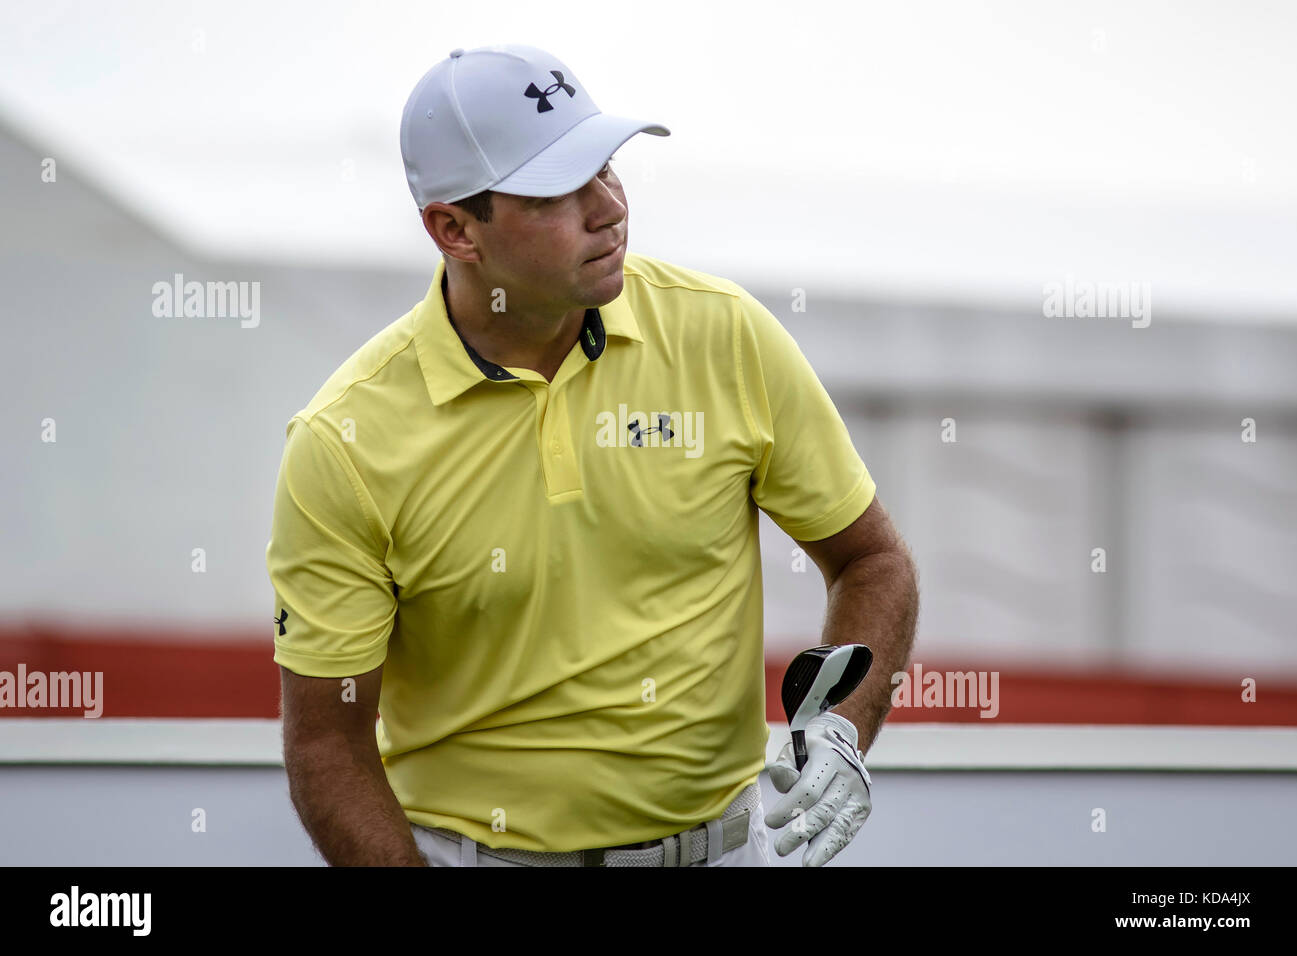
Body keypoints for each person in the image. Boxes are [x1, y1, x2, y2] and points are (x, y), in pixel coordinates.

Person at [267, 43, 918, 868]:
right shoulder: (344, 439)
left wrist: (841, 728)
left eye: (607, 168)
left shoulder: (725, 335)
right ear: (454, 230)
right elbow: (327, 745)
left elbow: (871, 561)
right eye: (557, 191)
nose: (609, 207)